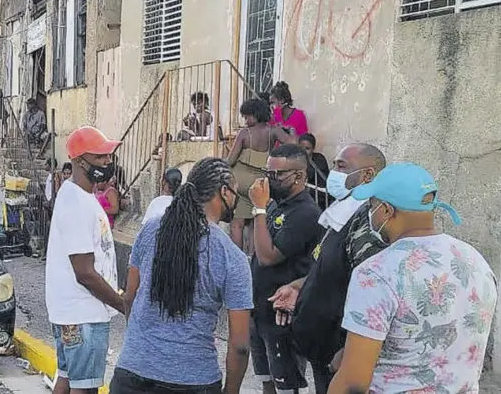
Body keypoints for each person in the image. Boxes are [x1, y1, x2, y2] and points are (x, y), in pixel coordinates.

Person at [329, 163, 498, 393]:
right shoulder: (474, 260)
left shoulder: (377, 273)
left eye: (372, 205)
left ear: (387, 210)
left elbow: (352, 383)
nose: (371, 212)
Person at [111, 158, 253, 394]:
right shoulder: (231, 256)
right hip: (192, 381)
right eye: (235, 193)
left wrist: (141, 342)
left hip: (132, 373)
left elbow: (129, 297)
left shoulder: (149, 231)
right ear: (224, 192)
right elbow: (239, 346)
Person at [269, 143, 387, 394]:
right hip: (321, 344)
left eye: (342, 166)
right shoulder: (342, 211)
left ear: (367, 175)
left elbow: (367, 291)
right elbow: (327, 268)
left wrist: (348, 350)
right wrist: (299, 286)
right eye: (334, 165)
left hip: (342, 347)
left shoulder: (370, 224)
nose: (334, 172)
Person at [45, 126, 125, 394]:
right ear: (80, 161)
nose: (107, 162)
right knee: (85, 388)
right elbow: (84, 272)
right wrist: (122, 303)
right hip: (84, 314)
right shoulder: (77, 203)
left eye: (108, 156)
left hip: (73, 312)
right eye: (100, 157)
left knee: (67, 379)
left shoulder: (78, 195)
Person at [247, 144, 325, 394]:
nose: (270, 179)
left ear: (299, 177)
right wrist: (262, 209)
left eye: (277, 174)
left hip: (282, 314)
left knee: (285, 386)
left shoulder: (306, 212)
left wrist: (258, 209)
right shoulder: (274, 205)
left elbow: (268, 256)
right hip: (260, 308)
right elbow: (256, 250)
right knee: (265, 379)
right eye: (267, 172)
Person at [227, 98, 292, 252]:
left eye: (247, 117)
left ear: (255, 115)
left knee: (237, 222)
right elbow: (292, 144)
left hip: (240, 183)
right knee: (255, 221)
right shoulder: (273, 131)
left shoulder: (244, 133)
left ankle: (238, 257)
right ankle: (252, 256)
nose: (245, 120)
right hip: (261, 182)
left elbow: (230, 160)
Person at [299, 133, 332, 208]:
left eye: (307, 148)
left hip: (320, 196)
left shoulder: (319, 159)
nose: (303, 151)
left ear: (313, 149)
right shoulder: (295, 159)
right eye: (301, 148)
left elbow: (319, 179)